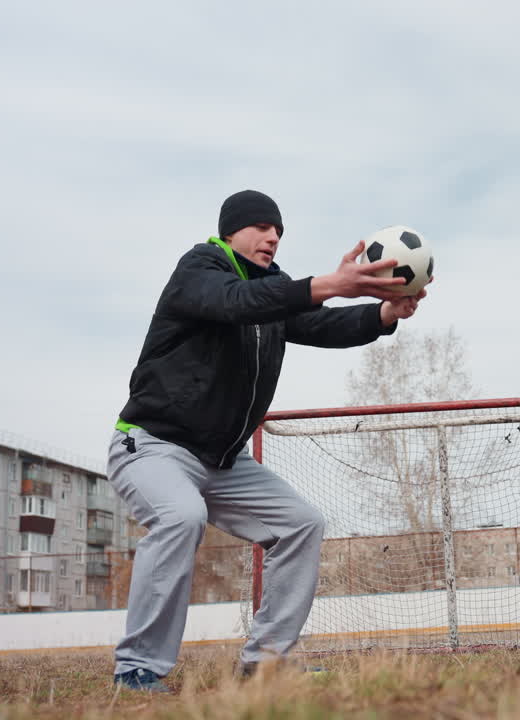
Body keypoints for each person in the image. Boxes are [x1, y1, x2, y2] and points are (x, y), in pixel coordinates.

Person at [109, 189, 426, 692]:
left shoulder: (274, 289)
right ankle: (137, 668)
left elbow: (321, 324)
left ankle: (267, 660)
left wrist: (384, 315)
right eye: (261, 227)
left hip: (222, 462)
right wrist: (332, 283)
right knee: (181, 516)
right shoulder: (199, 269)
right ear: (231, 231)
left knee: (301, 524)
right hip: (153, 447)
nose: (273, 237)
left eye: (278, 231)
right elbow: (237, 303)